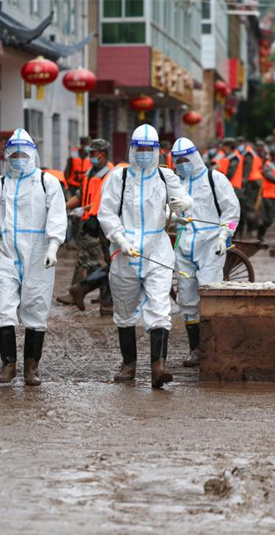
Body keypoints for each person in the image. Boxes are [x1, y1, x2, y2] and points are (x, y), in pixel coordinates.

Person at [98, 125, 192, 387]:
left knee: (160, 306)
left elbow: (184, 199)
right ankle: (129, 364)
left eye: (148, 150)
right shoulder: (120, 177)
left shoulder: (166, 177)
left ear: (158, 152)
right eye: (139, 149)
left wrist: (181, 205)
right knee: (125, 310)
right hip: (124, 251)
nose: (143, 155)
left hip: (157, 249)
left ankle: (158, 367)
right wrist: (119, 239)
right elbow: (106, 213)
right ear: (131, 149)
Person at [0, 128, 67, 386]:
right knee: (3, 307)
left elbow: (57, 217)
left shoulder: (47, 183)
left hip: (38, 254)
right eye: (13, 153)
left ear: (32, 155)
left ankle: (31, 366)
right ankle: (9, 364)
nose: (18, 158)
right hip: (7, 253)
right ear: (7, 155)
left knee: (36, 308)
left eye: (23, 153)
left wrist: (53, 246)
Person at [170, 137, 239, 367]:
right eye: (177, 161)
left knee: (209, 295)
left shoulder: (214, 179)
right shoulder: (174, 184)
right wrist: (172, 216)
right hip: (184, 244)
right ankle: (196, 350)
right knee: (187, 299)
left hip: (211, 245)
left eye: (185, 159)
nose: (182, 164)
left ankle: (213, 347)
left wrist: (223, 236)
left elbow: (231, 212)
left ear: (195, 157)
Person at [58, 139, 113, 313]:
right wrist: (63, 207)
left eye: (93, 154)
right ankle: (101, 300)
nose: (90, 157)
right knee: (90, 260)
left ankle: (86, 292)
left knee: (103, 263)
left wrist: (84, 209)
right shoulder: (90, 172)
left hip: (101, 224)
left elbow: (104, 201)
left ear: (102, 154)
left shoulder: (110, 174)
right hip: (87, 223)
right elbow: (81, 194)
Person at [257, 145, 275, 242]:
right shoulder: (268, 166)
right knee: (268, 219)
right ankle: (260, 235)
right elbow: (269, 176)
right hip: (270, 197)